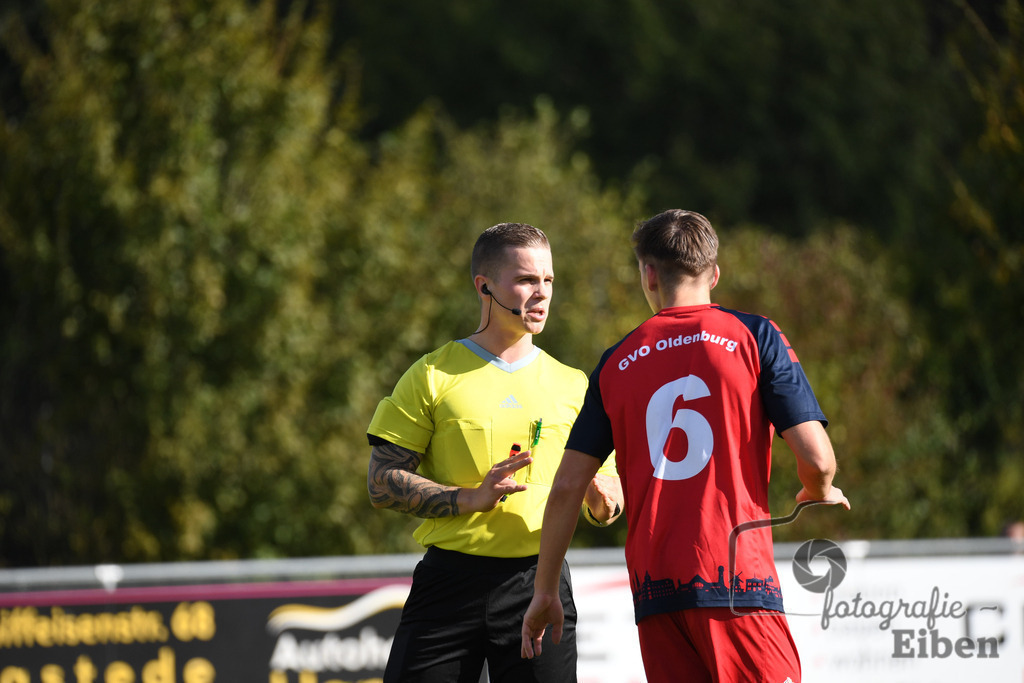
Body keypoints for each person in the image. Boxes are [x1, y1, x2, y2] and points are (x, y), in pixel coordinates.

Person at [521, 209, 850, 683]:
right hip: (738, 584)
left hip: (656, 595)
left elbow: (569, 483)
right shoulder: (754, 337)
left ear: (649, 274)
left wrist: (545, 591)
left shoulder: (615, 362)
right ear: (714, 273)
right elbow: (818, 459)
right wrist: (816, 488)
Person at [367, 222, 623, 683]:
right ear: (483, 285)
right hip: (447, 584)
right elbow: (381, 482)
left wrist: (603, 501)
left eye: (548, 280)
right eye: (526, 280)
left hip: (539, 581)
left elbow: (610, 495)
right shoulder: (431, 375)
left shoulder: (575, 384)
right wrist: (468, 498)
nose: (541, 293)